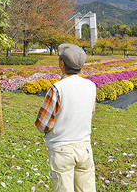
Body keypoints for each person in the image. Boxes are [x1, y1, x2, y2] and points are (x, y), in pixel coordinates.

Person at [35, 43, 96, 192]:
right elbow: (90, 114)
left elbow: (43, 124)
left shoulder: (57, 88)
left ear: (62, 64)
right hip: (84, 147)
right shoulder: (91, 86)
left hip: (62, 149)